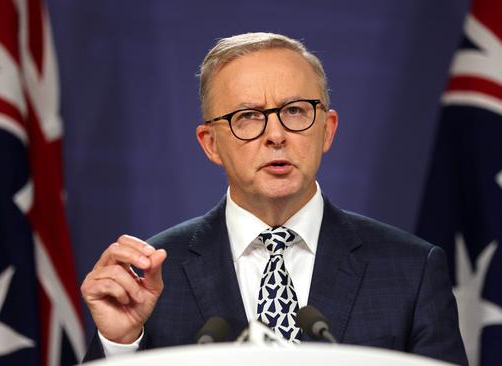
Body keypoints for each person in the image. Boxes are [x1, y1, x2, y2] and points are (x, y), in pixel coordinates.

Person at [80, 32, 467, 365]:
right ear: (211, 144)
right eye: (247, 116)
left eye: (296, 111)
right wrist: (120, 346)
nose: (276, 135)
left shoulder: (410, 271)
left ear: (327, 131)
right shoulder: (150, 279)